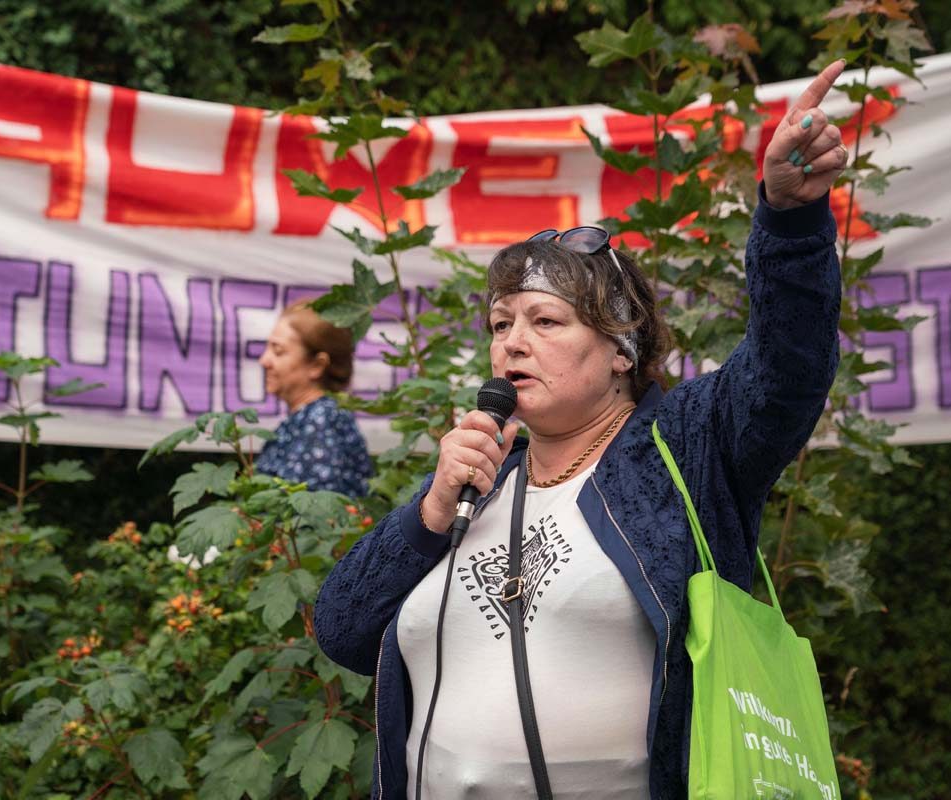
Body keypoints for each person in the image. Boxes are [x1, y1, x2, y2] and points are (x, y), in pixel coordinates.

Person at [314, 61, 850, 800]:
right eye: (501, 325)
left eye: (544, 321)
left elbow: (787, 369)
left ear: (622, 345)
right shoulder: (479, 481)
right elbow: (341, 630)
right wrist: (431, 512)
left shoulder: (686, 447)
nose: (511, 343)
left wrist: (790, 223)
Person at [255, 299, 373, 497]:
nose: (264, 360)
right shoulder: (312, 418)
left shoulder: (321, 424)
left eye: (278, 351)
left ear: (317, 365)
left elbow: (314, 520)